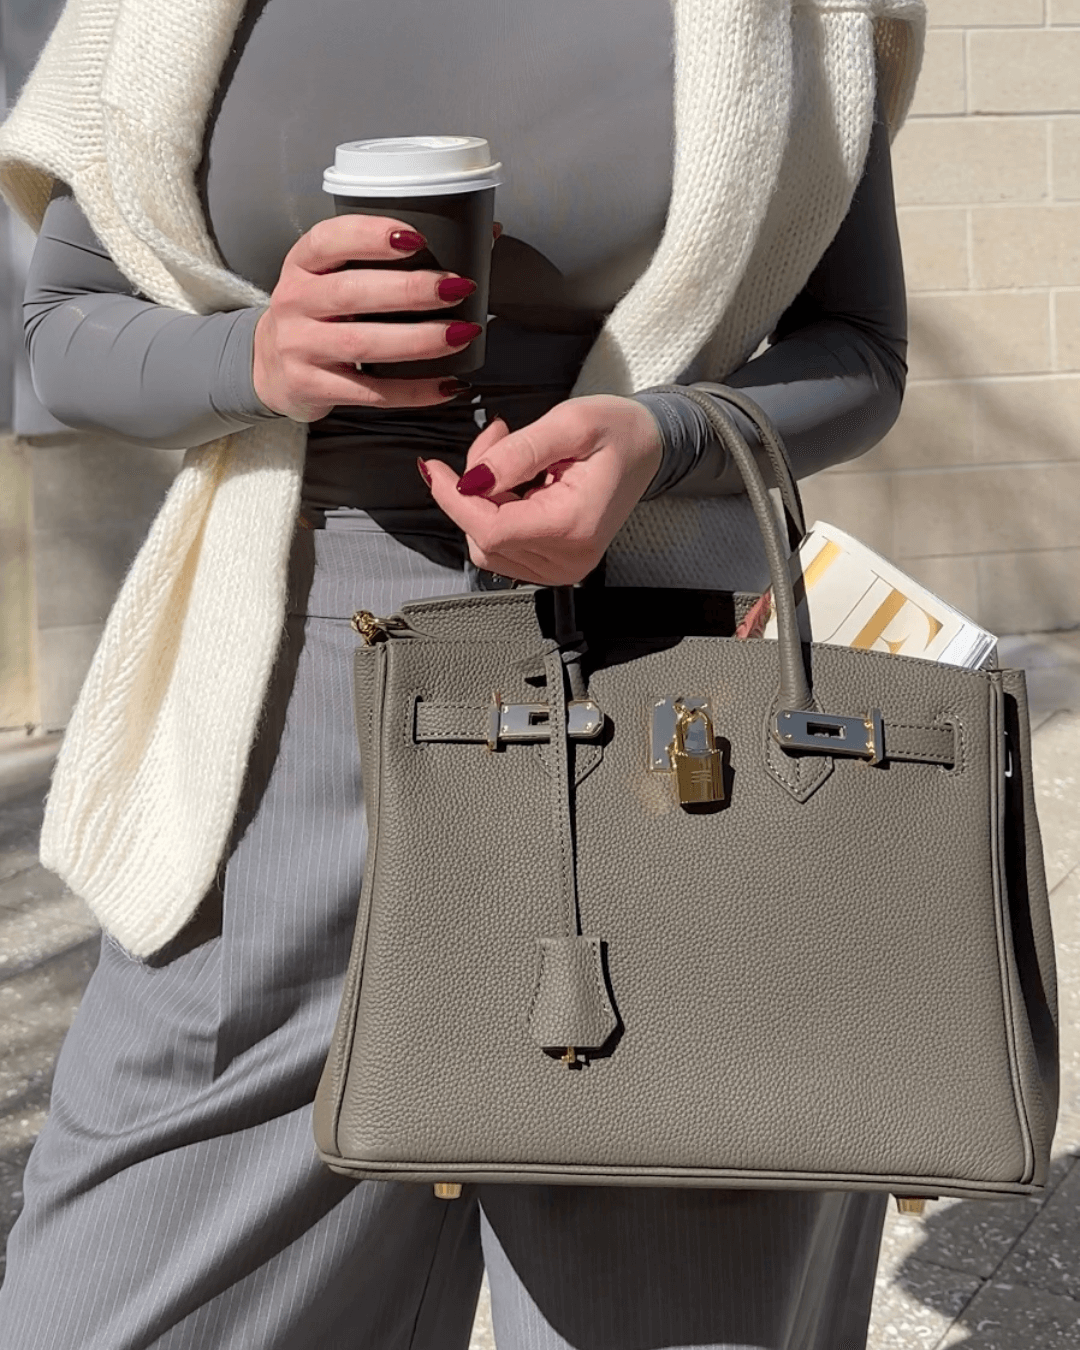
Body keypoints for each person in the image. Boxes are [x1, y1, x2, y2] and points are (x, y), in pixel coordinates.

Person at [0, 0, 924, 1345]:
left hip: (666, 736)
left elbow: (865, 351)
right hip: (282, 731)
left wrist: (661, 438)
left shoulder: (800, 14)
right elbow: (54, 337)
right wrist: (254, 357)